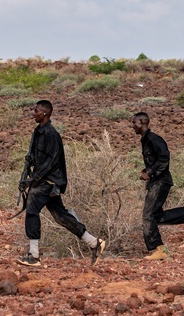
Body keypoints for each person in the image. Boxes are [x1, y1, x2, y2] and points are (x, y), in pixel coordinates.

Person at [16, 100, 106, 267]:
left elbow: (50, 162)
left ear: (44, 113)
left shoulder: (51, 134)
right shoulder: (38, 132)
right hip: (45, 182)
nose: (33, 113)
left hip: (49, 182)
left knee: (32, 209)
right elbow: (36, 159)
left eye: (36, 110)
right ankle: (94, 243)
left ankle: (34, 255)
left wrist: (32, 180)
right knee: (61, 217)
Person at [132, 112, 184, 260]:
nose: (133, 127)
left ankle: (159, 249)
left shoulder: (153, 138)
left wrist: (150, 172)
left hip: (160, 182)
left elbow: (164, 157)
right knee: (155, 216)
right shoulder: (145, 140)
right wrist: (147, 170)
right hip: (157, 181)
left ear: (143, 122)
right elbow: (158, 160)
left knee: (147, 215)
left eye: (134, 123)